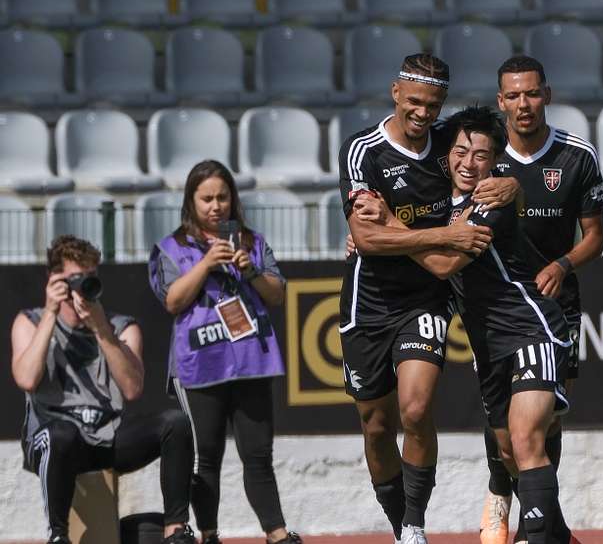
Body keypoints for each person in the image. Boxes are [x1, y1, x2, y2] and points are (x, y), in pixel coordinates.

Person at [357, 105, 577, 544]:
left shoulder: (488, 201)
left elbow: (443, 262)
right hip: (487, 347)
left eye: (480, 154)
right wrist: (379, 233)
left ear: (494, 160)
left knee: (525, 438)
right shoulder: (443, 205)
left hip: (529, 330)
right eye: (460, 151)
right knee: (509, 451)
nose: (467, 162)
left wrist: (390, 227)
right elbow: (432, 235)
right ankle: (559, 534)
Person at [338, 54, 519, 544]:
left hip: (425, 301)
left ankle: (415, 524)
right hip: (368, 302)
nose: (424, 113)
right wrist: (439, 234)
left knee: (416, 410)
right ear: (396, 93)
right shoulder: (363, 152)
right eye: (415, 101)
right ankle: (400, 527)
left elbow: (493, 158)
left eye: (434, 104)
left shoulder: (447, 143)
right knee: (375, 426)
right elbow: (368, 239)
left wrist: (511, 181)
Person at [474, 55, 603, 544]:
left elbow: (595, 236)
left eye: (531, 93)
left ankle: (539, 527)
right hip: (497, 310)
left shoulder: (576, 157)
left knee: (545, 423)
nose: (523, 104)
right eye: (513, 96)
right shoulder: (485, 160)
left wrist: (562, 264)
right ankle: (509, 497)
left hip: (557, 308)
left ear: (546, 95)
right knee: (507, 436)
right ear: (501, 101)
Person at [148, 160, 301, 544]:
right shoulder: (171, 248)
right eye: (206, 199)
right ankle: (209, 534)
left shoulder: (253, 242)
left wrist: (249, 270)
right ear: (191, 201)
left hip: (252, 361)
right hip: (200, 364)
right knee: (206, 458)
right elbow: (172, 301)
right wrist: (205, 264)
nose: (216, 206)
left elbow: (277, 294)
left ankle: (277, 533)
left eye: (222, 197)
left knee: (258, 455)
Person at [13, 235, 195, 544]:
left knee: (175, 423)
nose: (80, 289)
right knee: (61, 433)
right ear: (53, 279)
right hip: (52, 442)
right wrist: (50, 313)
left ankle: (175, 531)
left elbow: (133, 388)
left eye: (89, 279)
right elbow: (27, 379)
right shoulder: (29, 321)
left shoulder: (121, 326)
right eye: (73, 279)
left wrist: (100, 329)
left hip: (105, 437)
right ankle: (57, 536)